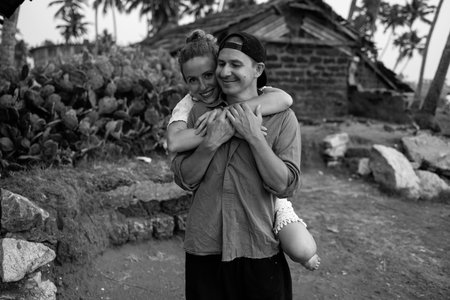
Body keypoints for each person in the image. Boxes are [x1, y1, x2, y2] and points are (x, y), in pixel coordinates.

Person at [171, 30, 309, 299]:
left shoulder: (283, 118)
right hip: (205, 247)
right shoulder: (199, 115)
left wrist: (254, 136)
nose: (225, 72)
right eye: (221, 64)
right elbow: (184, 179)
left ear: (258, 69)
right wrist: (211, 142)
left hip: (259, 247)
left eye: (235, 64)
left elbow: (286, 185)